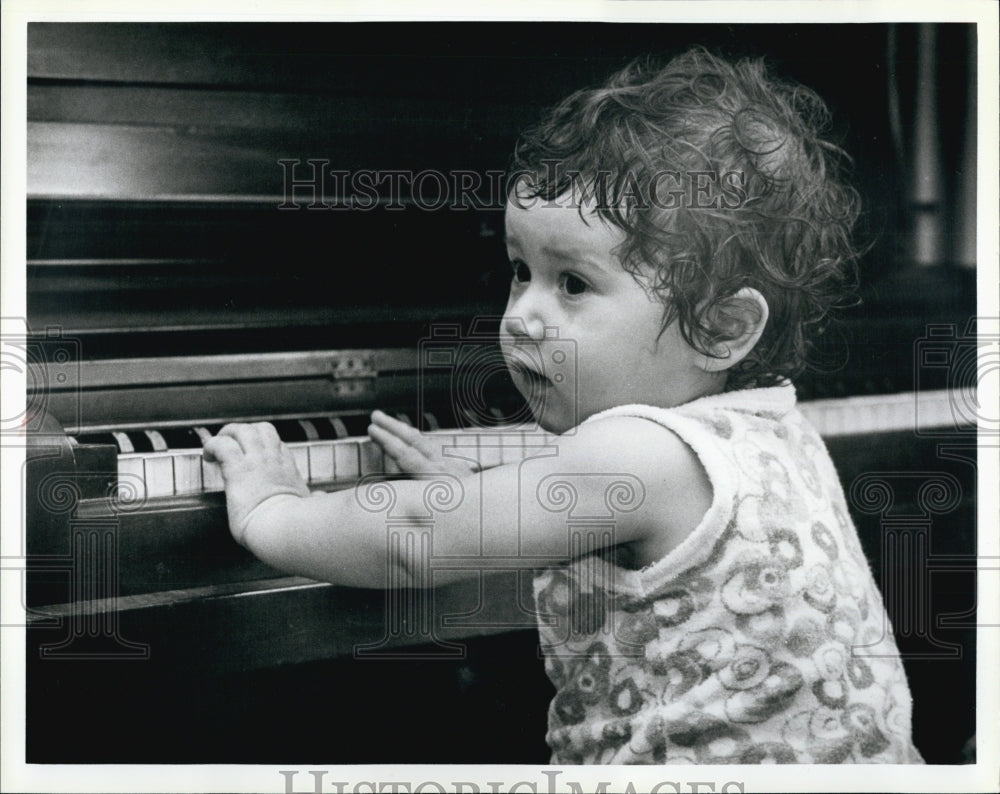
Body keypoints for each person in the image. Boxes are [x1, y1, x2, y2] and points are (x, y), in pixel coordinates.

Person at [204, 47, 923, 764]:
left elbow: (418, 533)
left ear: (722, 327)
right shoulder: (772, 429)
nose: (523, 316)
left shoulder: (643, 454)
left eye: (573, 284)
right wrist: (485, 496)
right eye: (522, 272)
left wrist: (273, 510)